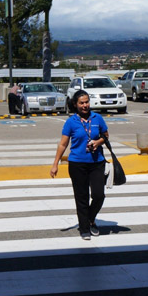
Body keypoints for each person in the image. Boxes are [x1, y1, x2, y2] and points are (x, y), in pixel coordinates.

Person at [50, 89, 108, 240]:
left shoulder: (97, 118)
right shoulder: (71, 122)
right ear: (75, 105)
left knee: (98, 195)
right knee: (81, 196)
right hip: (77, 164)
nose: (85, 105)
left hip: (97, 162)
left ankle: (90, 218)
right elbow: (63, 144)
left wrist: (98, 142)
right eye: (81, 103)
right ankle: (84, 228)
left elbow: (106, 136)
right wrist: (55, 164)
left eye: (87, 102)